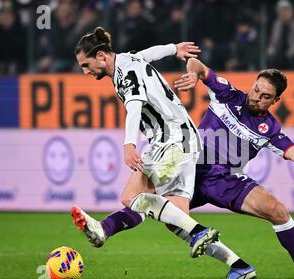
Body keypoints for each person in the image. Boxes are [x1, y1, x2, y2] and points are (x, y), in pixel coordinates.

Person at [172, 57, 294, 279]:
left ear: (275, 100)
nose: (256, 97)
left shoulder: (269, 128)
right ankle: (237, 266)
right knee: (160, 210)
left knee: (278, 211)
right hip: (192, 174)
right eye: (256, 89)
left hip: (227, 181)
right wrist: (192, 74)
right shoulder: (227, 94)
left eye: (265, 96)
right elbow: (196, 64)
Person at [71, 27, 221, 262]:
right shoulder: (128, 61)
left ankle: (104, 229)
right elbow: (149, 54)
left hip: (174, 139)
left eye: (86, 65)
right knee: (176, 219)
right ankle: (238, 266)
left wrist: (129, 144)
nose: (85, 72)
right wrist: (174, 49)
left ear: (101, 56)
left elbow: (134, 107)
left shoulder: (126, 72)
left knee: (136, 198)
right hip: (173, 138)